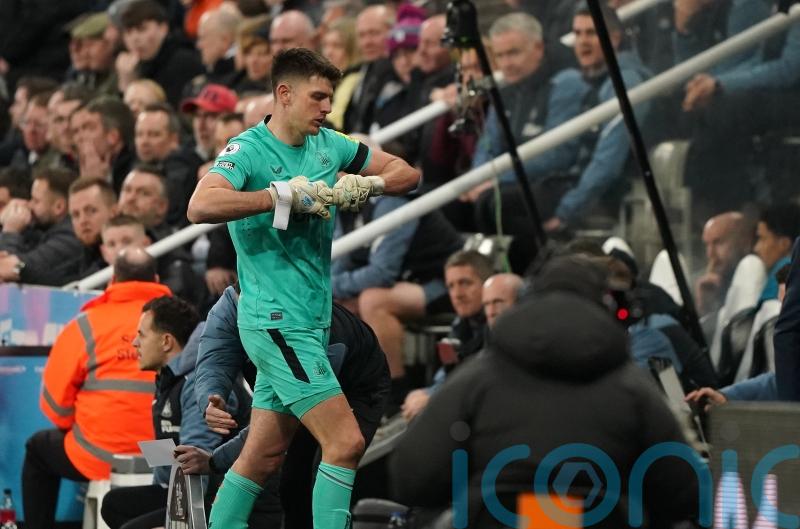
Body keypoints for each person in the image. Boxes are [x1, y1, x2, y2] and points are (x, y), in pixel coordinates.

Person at [187, 48, 419, 529]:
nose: (326, 108)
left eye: (330, 98)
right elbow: (200, 206)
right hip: (276, 323)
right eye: (318, 97)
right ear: (284, 94)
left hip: (310, 321)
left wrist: (368, 185)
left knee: (262, 456)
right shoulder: (246, 151)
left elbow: (407, 173)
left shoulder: (330, 145)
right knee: (346, 443)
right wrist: (278, 196)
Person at [390, 256, 700, 528]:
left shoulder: (476, 379)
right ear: (605, 306)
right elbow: (685, 492)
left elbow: (413, 477)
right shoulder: (633, 388)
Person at [176, 286, 390, 529]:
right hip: (290, 356)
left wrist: (216, 461)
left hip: (356, 386)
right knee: (291, 485)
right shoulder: (229, 308)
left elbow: (269, 436)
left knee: (334, 456)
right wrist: (209, 398)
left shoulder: (309, 331)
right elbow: (213, 361)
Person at [22, 248, 171, 529]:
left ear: (112, 279)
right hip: (163, 454)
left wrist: (73, 427)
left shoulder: (86, 325)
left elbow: (54, 405)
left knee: (38, 449)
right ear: (157, 278)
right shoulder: (182, 323)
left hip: (98, 452)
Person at [100, 296, 229, 529]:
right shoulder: (167, 379)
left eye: (142, 335)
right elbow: (168, 452)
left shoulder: (195, 382)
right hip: (177, 487)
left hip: (209, 496)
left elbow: (195, 461)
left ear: (166, 342)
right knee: (113, 504)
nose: (134, 343)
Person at [401, 250, 494, 421]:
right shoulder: (460, 325)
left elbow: (483, 379)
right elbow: (449, 371)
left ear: (487, 284)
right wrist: (424, 393)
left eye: (465, 283)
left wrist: (434, 397)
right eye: (451, 286)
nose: (457, 294)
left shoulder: (498, 322)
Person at [0, 167, 83, 285]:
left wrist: (11, 231)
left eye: (36, 200)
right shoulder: (41, 230)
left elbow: (12, 269)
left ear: (58, 207)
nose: (29, 205)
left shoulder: (70, 236)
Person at [694, 211, 754, 316]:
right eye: (706, 245)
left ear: (745, 242)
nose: (710, 254)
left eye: (718, 242)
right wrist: (704, 307)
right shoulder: (701, 285)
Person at [68, 178, 120, 279]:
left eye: (91, 211)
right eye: (75, 215)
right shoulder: (74, 256)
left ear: (113, 212)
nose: (83, 220)